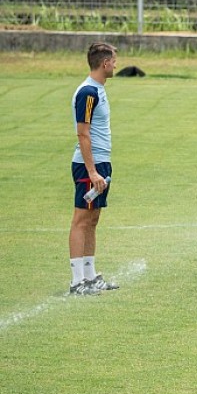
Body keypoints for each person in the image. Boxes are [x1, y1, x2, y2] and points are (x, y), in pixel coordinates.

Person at [68, 42, 119, 295]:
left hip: (101, 162)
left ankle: (90, 275)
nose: (116, 65)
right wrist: (92, 171)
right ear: (105, 63)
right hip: (90, 165)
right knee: (81, 219)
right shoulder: (88, 92)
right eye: (114, 60)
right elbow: (82, 133)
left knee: (93, 218)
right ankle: (77, 281)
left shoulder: (98, 89)